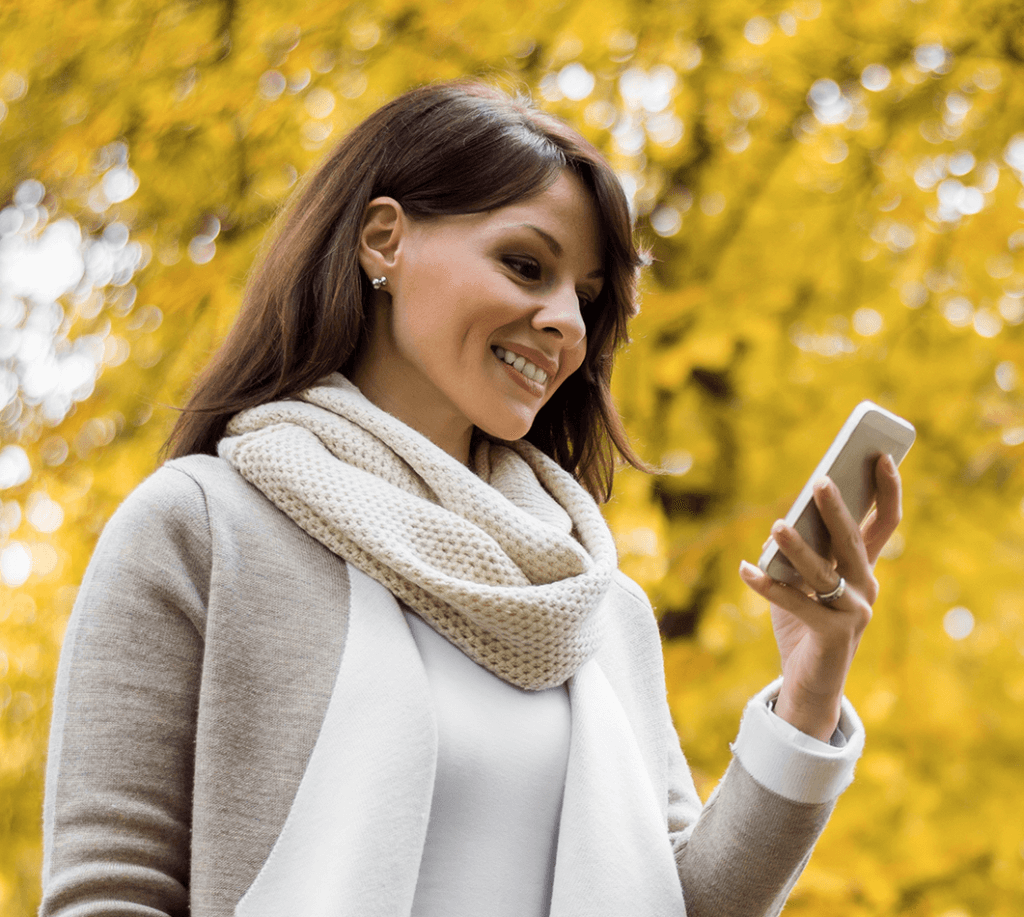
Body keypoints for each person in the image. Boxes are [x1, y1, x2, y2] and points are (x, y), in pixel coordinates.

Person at [39, 81, 903, 917]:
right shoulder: (201, 528)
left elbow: (684, 905)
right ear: (385, 240)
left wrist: (809, 688)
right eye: (526, 265)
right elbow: (110, 894)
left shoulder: (600, 610)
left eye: (587, 299)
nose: (565, 319)